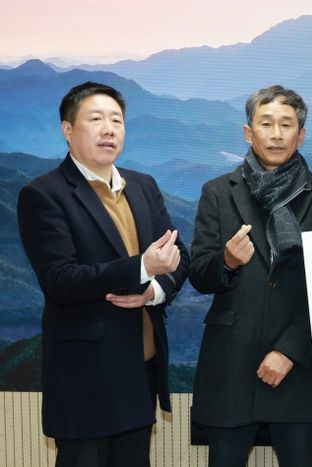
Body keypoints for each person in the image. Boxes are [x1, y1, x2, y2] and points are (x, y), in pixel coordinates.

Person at [16, 81, 189, 467]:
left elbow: (179, 255)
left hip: (141, 370)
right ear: (68, 130)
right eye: (96, 119)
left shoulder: (143, 186)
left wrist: (155, 290)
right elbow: (60, 280)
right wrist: (142, 267)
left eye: (117, 120)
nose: (109, 129)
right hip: (85, 381)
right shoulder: (43, 194)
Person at [190, 85, 312, 467]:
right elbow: (199, 275)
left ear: (301, 135)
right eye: (266, 123)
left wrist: (289, 350)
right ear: (248, 132)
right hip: (232, 364)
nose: (276, 134)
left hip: (299, 366)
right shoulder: (217, 193)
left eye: (286, 125)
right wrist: (226, 261)